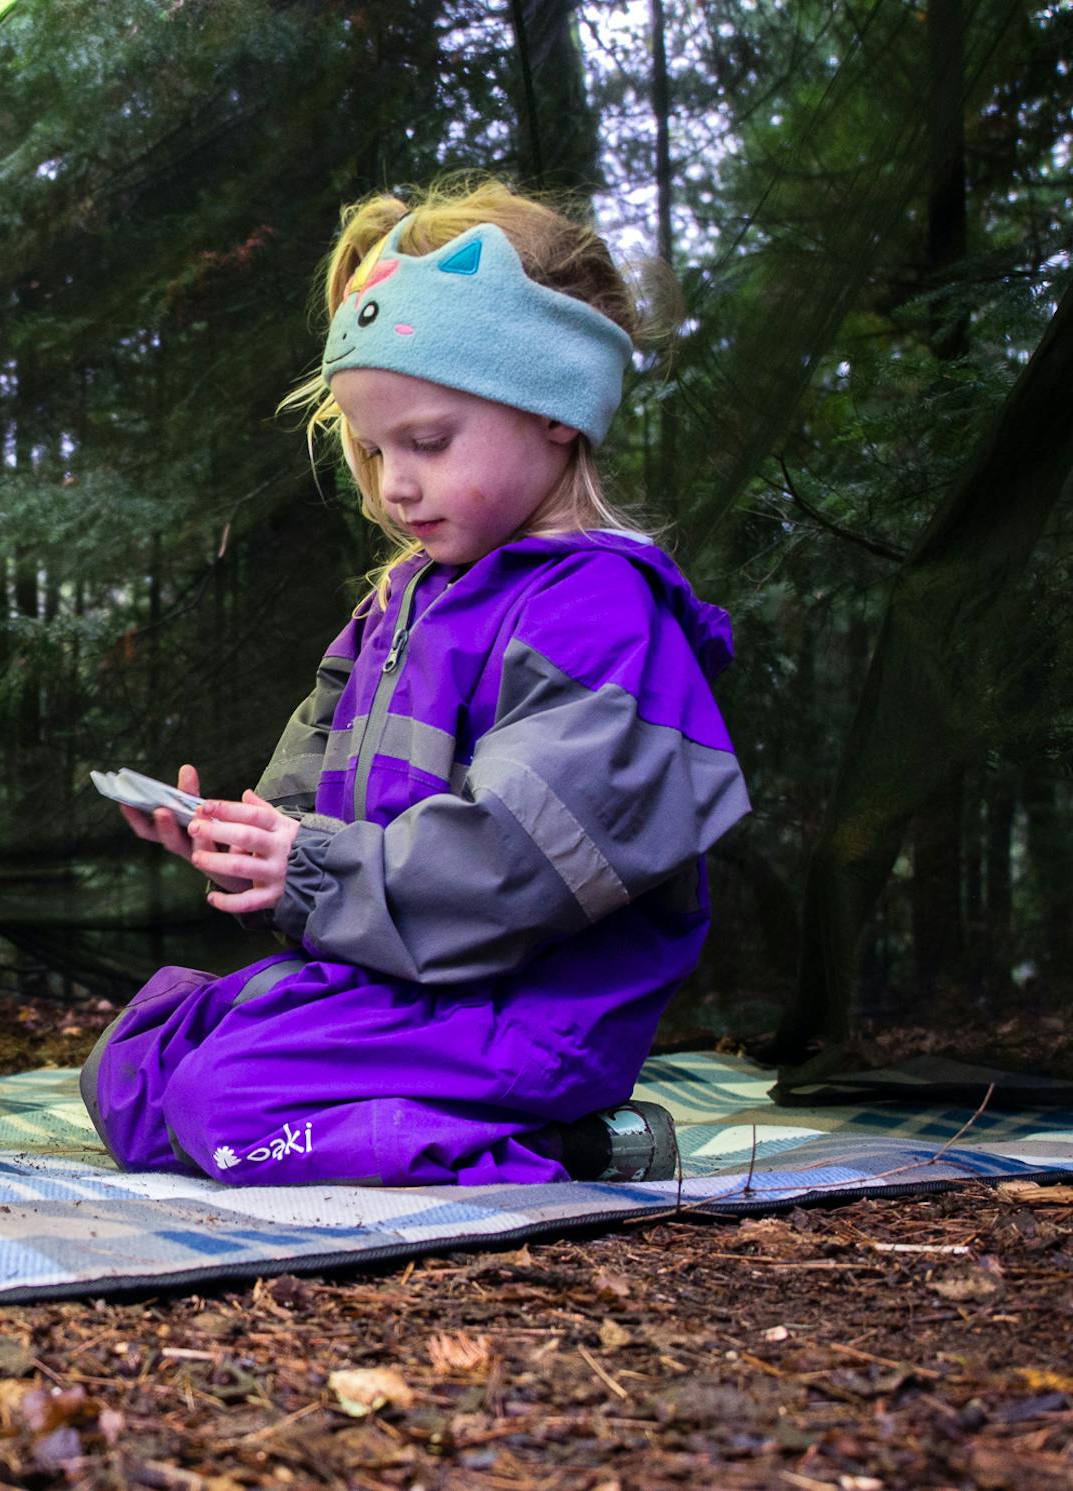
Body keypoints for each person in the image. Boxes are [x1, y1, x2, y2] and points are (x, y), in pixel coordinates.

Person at [80, 178, 750, 1188]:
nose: (394, 484)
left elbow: (521, 865)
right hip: (402, 982)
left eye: (428, 442)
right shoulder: (397, 604)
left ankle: (574, 1144)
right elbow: (307, 816)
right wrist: (237, 837)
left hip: (526, 1011)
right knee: (134, 1065)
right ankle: (412, 1118)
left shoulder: (601, 609)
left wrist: (312, 867)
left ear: (555, 410)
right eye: (374, 447)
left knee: (225, 1106)